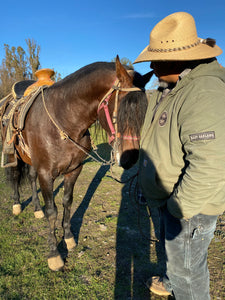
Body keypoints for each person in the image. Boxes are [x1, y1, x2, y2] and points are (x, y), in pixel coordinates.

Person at [134, 11, 225, 300]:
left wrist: (178, 207)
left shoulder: (203, 92)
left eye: (157, 59)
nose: (151, 65)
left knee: (189, 274)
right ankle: (173, 279)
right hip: (174, 201)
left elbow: (210, 164)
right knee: (180, 264)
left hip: (189, 210)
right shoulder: (174, 87)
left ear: (179, 60)